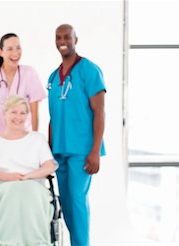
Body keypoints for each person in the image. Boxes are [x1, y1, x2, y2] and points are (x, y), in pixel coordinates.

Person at [47, 24, 106, 246]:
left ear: (76, 40)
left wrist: (95, 151)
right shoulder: (53, 77)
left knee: (78, 200)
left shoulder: (89, 71)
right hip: (59, 150)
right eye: (58, 37)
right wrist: (48, 151)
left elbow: (99, 112)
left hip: (82, 150)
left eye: (67, 37)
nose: (63, 41)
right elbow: (53, 117)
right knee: (67, 203)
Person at [0, 95, 57, 245]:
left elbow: (49, 166)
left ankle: (36, 242)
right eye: (14, 112)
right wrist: (10, 177)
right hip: (3, 186)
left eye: (23, 113)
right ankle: (5, 242)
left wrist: (27, 177)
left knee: (30, 191)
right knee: (14, 192)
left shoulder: (37, 139)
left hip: (33, 184)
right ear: (4, 113)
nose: (18, 117)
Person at [0, 33, 46, 133]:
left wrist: (34, 138)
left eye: (18, 48)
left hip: (22, 137)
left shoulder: (29, 73)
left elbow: (34, 112)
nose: (15, 53)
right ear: (0, 52)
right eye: (10, 49)